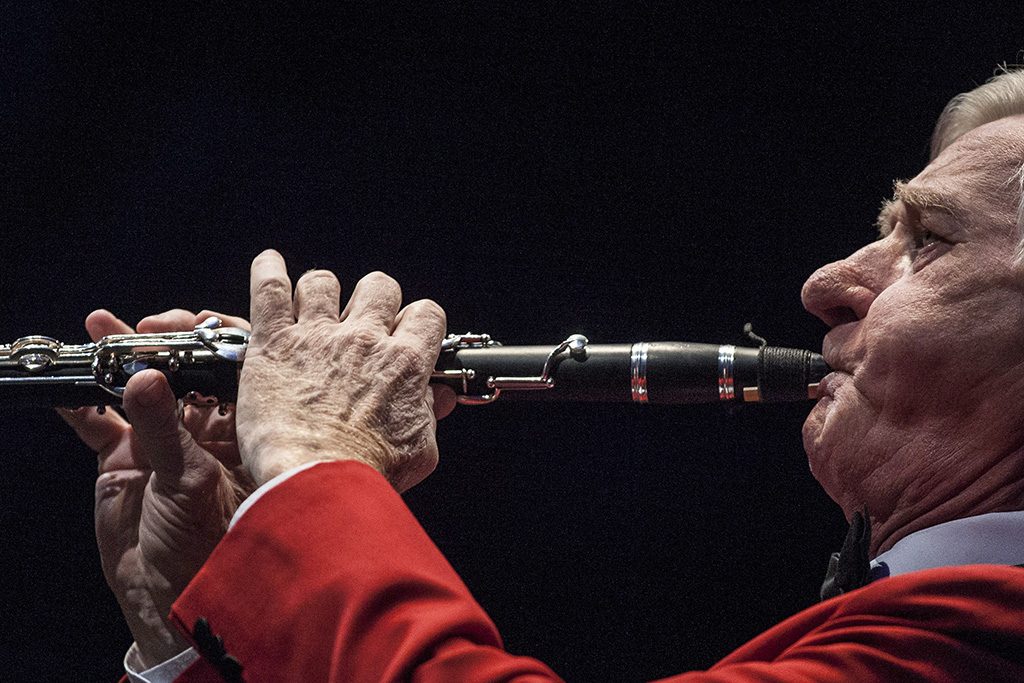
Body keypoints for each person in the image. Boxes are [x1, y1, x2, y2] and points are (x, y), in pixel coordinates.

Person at [65, 68, 1024, 681]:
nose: (827, 282)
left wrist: (317, 467)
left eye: (927, 242)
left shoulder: (989, 629)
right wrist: (197, 623)